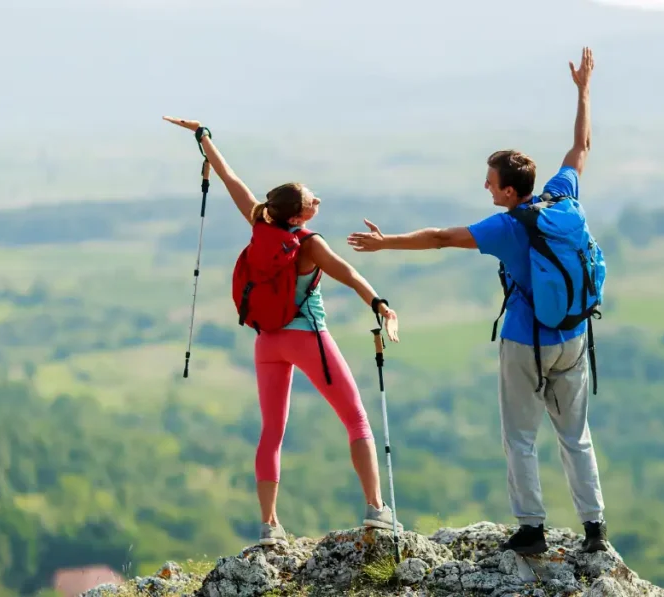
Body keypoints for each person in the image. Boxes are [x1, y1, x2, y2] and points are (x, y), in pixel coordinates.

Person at [345, 48, 608, 555]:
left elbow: (441, 237)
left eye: (490, 182)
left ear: (509, 191)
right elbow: (582, 147)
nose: (484, 187)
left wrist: (385, 243)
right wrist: (584, 90)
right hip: (575, 334)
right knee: (576, 436)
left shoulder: (507, 226)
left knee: (521, 437)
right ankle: (595, 528)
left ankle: (532, 529)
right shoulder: (563, 197)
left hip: (525, 340)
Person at [163, 116, 404, 547]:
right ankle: (376, 510)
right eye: (312, 200)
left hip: (267, 342)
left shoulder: (260, 223)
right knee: (356, 418)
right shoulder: (309, 244)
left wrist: (204, 139)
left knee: (271, 431)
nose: (318, 201)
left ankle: (269, 525)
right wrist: (380, 304)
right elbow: (347, 274)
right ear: (298, 214)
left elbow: (230, 178)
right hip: (308, 337)